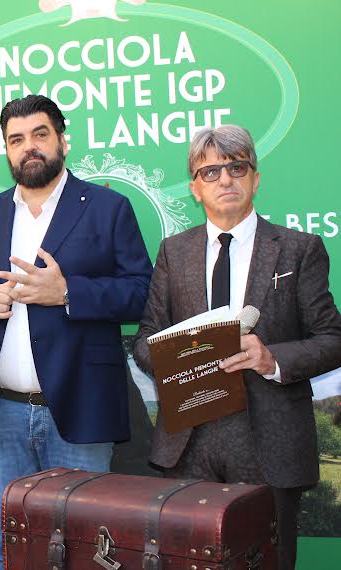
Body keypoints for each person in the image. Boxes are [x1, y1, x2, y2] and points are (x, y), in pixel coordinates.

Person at [0, 94, 152, 570]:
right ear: (6, 150)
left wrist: (68, 292)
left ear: (62, 141)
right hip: (1, 416)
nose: (28, 147)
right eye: (16, 139)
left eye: (40, 135)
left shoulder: (108, 208)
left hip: (80, 411)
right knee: (2, 549)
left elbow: (141, 293)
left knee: (87, 553)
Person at [133, 124, 341, 570]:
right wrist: (180, 358)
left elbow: (332, 339)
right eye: (210, 172)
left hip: (270, 444)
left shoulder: (299, 249)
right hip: (188, 442)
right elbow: (145, 338)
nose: (225, 179)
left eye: (237, 167)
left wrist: (273, 359)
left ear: (255, 178)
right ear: (195, 188)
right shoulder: (173, 252)